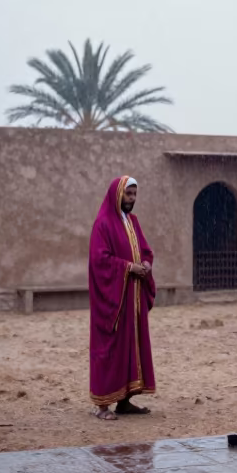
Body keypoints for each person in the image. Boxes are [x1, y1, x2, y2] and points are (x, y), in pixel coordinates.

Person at [88, 175, 156, 420]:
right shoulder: (103, 224)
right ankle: (102, 406)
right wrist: (128, 268)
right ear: (117, 194)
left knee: (131, 347)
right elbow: (100, 260)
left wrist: (146, 263)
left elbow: (145, 250)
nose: (132, 199)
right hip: (113, 300)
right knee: (110, 349)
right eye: (128, 194)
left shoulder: (133, 221)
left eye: (135, 194)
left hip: (132, 298)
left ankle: (125, 402)